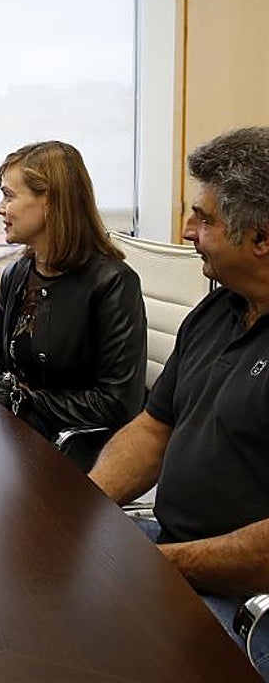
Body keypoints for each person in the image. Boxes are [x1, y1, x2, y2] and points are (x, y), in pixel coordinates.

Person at [89, 126, 269, 678]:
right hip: (171, 547)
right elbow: (153, 429)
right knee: (36, 583)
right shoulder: (217, 311)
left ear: (261, 237)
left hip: (245, 597)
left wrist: (162, 566)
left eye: (204, 218)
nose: (187, 231)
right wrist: (82, 507)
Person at [0, 141, 146, 458]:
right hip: (19, 440)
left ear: (49, 200)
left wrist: (23, 401)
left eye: (9, 195)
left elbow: (117, 404)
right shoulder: (17, 275)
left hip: (73, 452)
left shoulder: (114, 283)